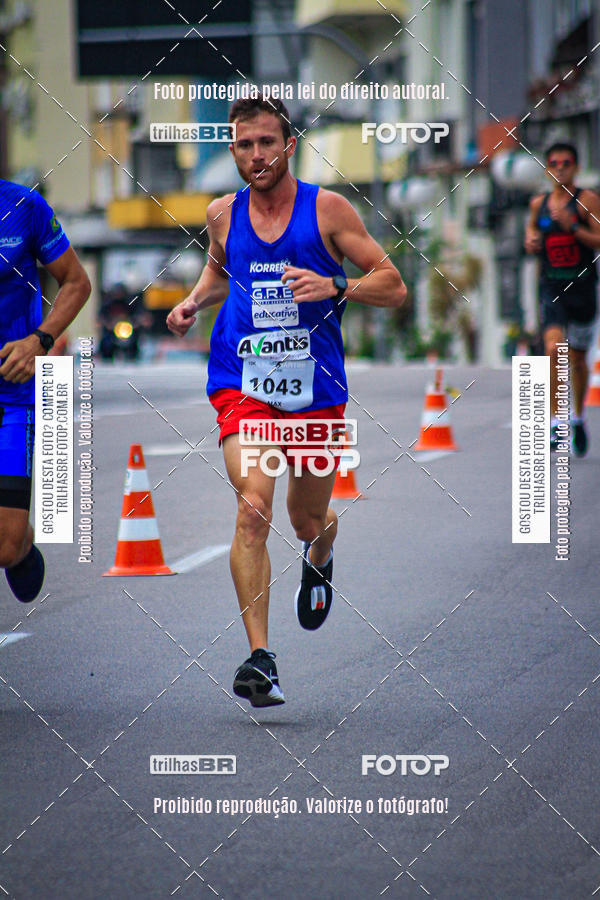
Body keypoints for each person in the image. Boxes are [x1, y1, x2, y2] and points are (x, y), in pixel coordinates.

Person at [167, 95, 406, 706]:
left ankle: (321, 547)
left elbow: (394, 284)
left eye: (267, 143)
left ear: (288, 145)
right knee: (253, 509)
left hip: (316, 385)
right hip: (242, 379)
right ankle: (260, 658)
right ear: (233, 151)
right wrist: (195, 301)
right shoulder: (223, 214)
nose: (257, 156)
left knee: (305, 519)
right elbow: (222, 270)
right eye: (245, 146)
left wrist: (336, 284)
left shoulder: (327, 209)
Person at [0, 180, 91, 601]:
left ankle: (20, 545)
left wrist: (40, 340)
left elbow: (76, 282)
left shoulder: (23, 206)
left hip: (12, 397)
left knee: (5, 546)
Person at [524, 142, 600, 456]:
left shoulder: (587, 201)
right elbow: (530, 236)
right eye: (554, 163)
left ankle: (578, 418)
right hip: (551, 287)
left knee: (579, 360)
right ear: (547, 168)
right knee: (554, 349)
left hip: (582, 288)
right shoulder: (538, 204)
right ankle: (558, 421)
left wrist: (574, 229)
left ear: (576, 167)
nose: (560, 168)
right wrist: (529, 241)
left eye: (566, 163)